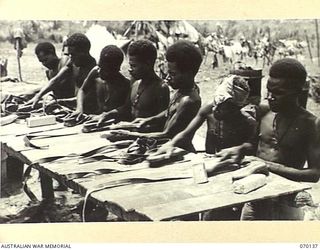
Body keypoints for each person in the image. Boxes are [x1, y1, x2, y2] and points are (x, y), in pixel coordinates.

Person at [217, 58, 320, 220]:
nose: (270, 97)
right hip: (254, 195)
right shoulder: (265, 110)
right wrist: (240, 149)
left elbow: (314, 174)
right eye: (268, 90)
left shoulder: (311, 123)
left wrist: (267, 166)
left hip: (286, 202)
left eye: (278, 93)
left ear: (297, 92)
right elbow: (253, 144)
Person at [113, 40, 203, 141]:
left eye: (173, 74)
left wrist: (129, 134)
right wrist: (147, 120)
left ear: (188, 74)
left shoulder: (189, 101)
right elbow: (169, 111)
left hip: (177, 151)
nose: (168, 77)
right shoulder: (182, 91)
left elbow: (167, 135)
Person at [95, 39, 169, 124]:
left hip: (145, 135)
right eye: (130, 65)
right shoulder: (135, 83)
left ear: (147, 64)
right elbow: (127, 108)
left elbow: (163, 121)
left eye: (134, 66)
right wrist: (107, 115)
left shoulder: (160, 88)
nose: (130, 70)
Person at [27, 33, 97, 114]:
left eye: (73, 55)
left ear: (83, 52)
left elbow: (84, 97)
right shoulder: (72, 61)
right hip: (74, 108)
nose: (70, 58)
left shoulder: (92, 69)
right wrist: (38, 96)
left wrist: (58, 102)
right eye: (70, 55)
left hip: (87, 110)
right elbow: (56, 79)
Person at [70, 45, 130, 119]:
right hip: (96, 119)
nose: (99, 71)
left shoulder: (125, 85)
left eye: (104, 69)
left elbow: (126, 109)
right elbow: (82, 90)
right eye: (99, 66)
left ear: (115, 70)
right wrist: (79, 109)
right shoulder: (96, 72)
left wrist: (105, 116)